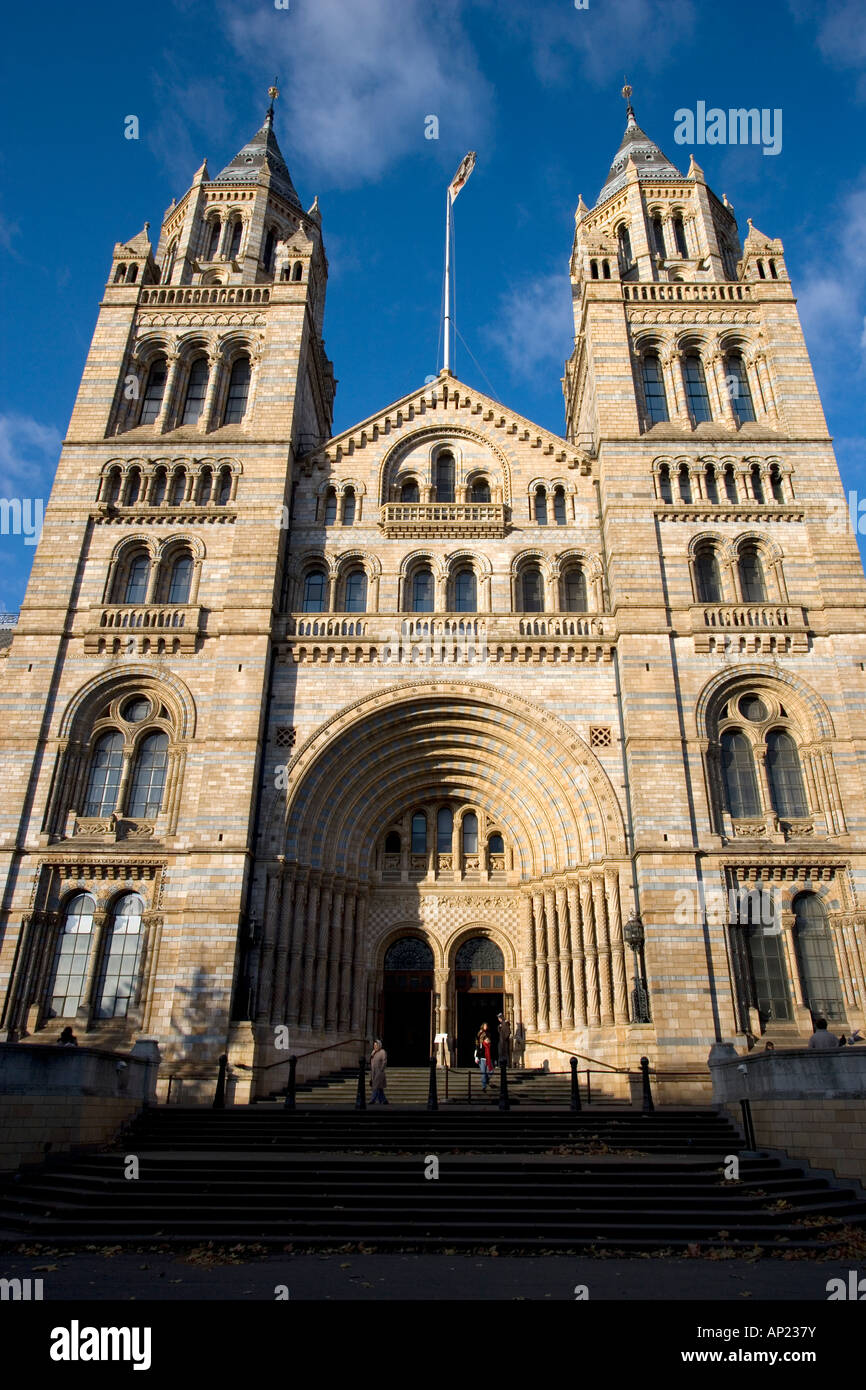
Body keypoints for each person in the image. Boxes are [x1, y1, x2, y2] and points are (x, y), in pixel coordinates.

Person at [475, 1022, 494, 1091]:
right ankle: (484, 1086)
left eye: (488, 1039)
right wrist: (477, 1057)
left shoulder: (489, 1046)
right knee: (483, 1073)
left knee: (491, 1071)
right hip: (482, 1059)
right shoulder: (481, 1044)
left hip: (488, 1059)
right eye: (486, 1039)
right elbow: (478, 1045)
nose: (488, 1040)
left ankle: (486, 1080)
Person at [370, 1039, 388, 1104]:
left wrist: (381, 1069)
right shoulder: (373, 1052)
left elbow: (384, 1061)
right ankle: (384, 1100)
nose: (375, 1046)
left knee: (375, 1086)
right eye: (374, 1045)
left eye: (376, 1045)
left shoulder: (382, 1052)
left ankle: (372, 1100)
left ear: (379, 1045)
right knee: (379, 1088)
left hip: (379, 1072)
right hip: (374, 1072)